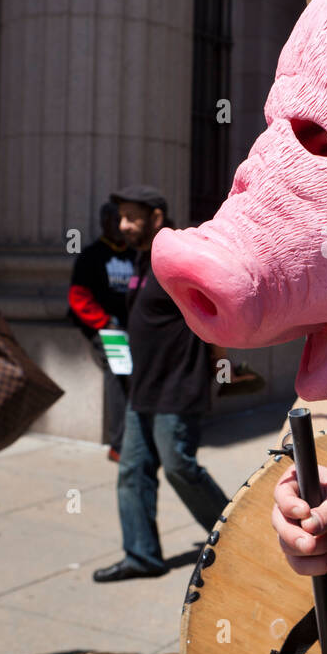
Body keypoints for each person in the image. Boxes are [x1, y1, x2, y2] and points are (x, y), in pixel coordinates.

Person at [93, 186, 230, 582]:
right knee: (132, 470)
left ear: (156, 218)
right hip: (143, 388)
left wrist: (220, 368)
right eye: (121, 217)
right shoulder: (141, 260)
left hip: (177, 385)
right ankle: (142, 556)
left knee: (179, 467)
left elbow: (213, 308)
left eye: (133, 217)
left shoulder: (177, 257)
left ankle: (234, 533)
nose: (123, 225)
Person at [67, 202, 135, 462]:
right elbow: (78, 298)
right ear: (103, 223)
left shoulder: (134, 255)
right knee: (120, 373)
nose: (119, 226)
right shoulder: (91, 256)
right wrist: (105, 323)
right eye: (113, 220)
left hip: (133, 326)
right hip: (106, 327)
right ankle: (119, 444)